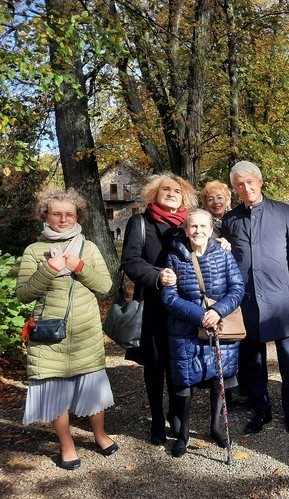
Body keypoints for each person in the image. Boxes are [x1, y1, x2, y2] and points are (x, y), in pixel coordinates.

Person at [16, 188, 116, 470]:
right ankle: (67, 445)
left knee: (92, 388)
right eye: (56, 213)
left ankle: (100, 435)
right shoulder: (34, 251)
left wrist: (80, 266)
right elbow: (23, 294)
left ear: (77, 216)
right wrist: (48, 269)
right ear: (45, 215)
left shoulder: (89, 247)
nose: (63, 219)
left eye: (69, 214)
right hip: (49, 335)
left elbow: (105, 286)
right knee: (54, 390)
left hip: (85, 331)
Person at [221, 161, 289, 435]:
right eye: (239, 185)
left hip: (279, 297)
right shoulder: (231, 219)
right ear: (235, 189)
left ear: (260, 181)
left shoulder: (283, 212)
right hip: (246, 300)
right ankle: (261, 409)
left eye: (249, 182)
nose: (246, 188)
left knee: (288, 360)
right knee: (253, 361)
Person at [121, 173, 199, 445]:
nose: (170, 193)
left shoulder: (189, 224)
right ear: (154, 194)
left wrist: (220, 243)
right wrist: (157, 276)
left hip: (184, 306)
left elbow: (206, 248)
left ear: (184, 196)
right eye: (165, 189)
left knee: (181, 362)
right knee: (155, 366)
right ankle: (156, 419)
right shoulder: (140, 223)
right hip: (153, 306)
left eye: (176, 190)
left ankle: (176, 415)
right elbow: (130, 262)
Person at [161, 209, 244, 457]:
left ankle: (216, 426)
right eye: (193, 226)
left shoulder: (224, 255)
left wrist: (218, 311)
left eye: (202, 226)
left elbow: (237, 288)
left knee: (219, 380)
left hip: (220, 328)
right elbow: (169, 297)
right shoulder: (174, 257)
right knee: (185, 383)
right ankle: (183, 434)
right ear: (186, 230)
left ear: (211, 229)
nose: (198, 231)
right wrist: (199, 315)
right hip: (184, 332)